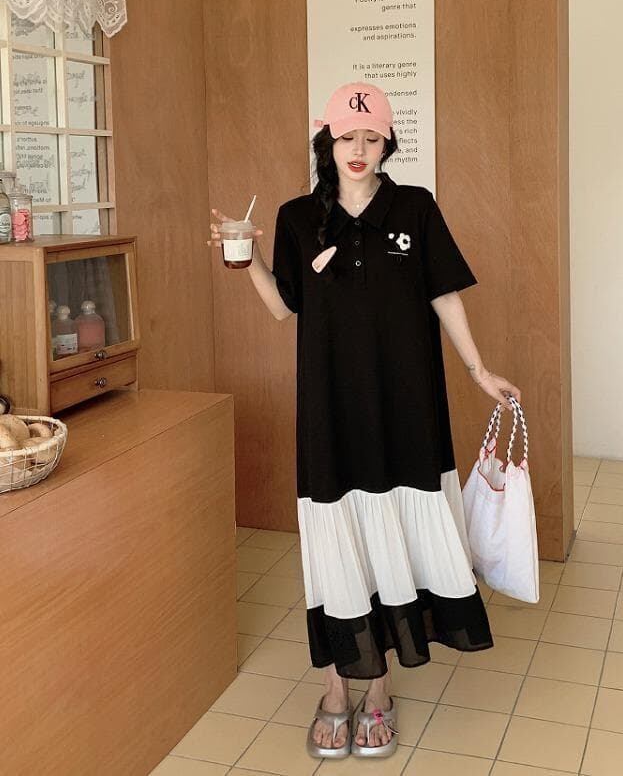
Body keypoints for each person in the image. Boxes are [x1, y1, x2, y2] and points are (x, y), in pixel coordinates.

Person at [209, 81, 521, 760]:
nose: (358, 148)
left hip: (407, 407)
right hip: (330, 410)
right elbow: (283, 306)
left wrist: (478, 370)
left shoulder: (416, 206)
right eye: (346, 137)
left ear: (387, 143)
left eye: (371, 137)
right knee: (336, 536)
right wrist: (247, 255)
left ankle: (378, 688)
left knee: (396, 534)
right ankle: (335, 686)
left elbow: (444, 294)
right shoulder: (297, 217)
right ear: (327, 141)